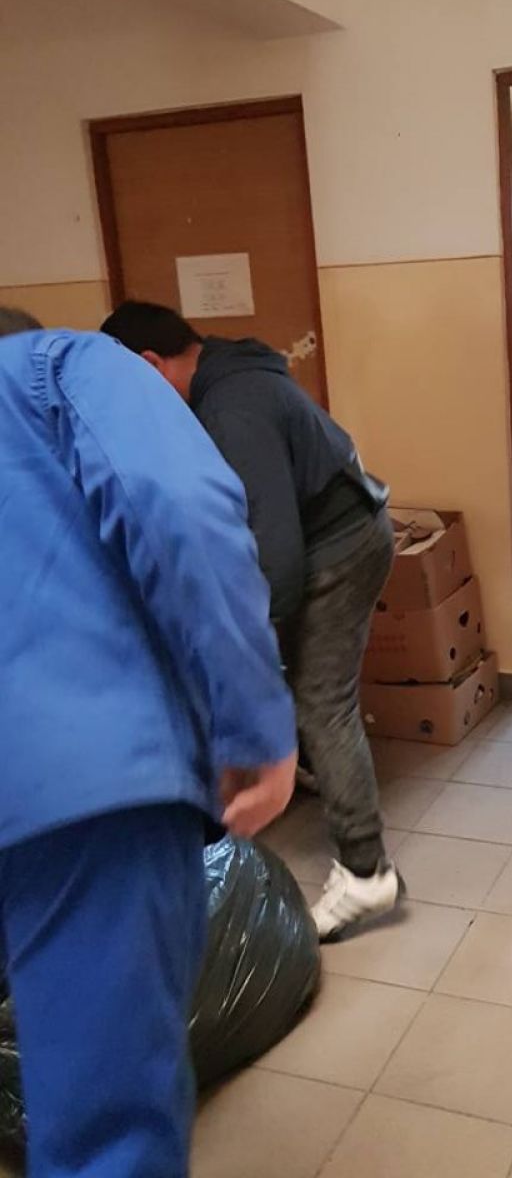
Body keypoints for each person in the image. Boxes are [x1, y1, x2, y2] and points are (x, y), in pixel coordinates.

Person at [0, 312, 297, 1177]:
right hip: (80, 786)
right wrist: (254, 725)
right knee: (106, 1124)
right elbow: (180, 507)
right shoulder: (63, 364)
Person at [100, 302, 400, 939]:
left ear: (150, 364)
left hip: (341, 546)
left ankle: (367, 872)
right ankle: (308, 766)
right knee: (298, 683)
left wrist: (240, 643)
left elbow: (276, 555)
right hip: (343, 529)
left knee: (323, 701)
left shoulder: (231, 408)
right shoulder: (228, 373)